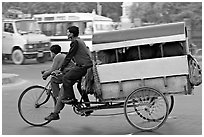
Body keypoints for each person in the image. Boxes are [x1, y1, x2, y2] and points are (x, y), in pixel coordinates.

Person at [45, 26, 93, 121]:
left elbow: (69, 56)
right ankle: (88, 107)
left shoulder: (75, 42)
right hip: (86, 65)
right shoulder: (80, 41)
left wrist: (61, 69)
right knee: (80, 86)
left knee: (66, 78)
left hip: (83, 66)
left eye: (67, 32)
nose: (67, 34)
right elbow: (74, 56)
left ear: (71, 34)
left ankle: (70, 98)